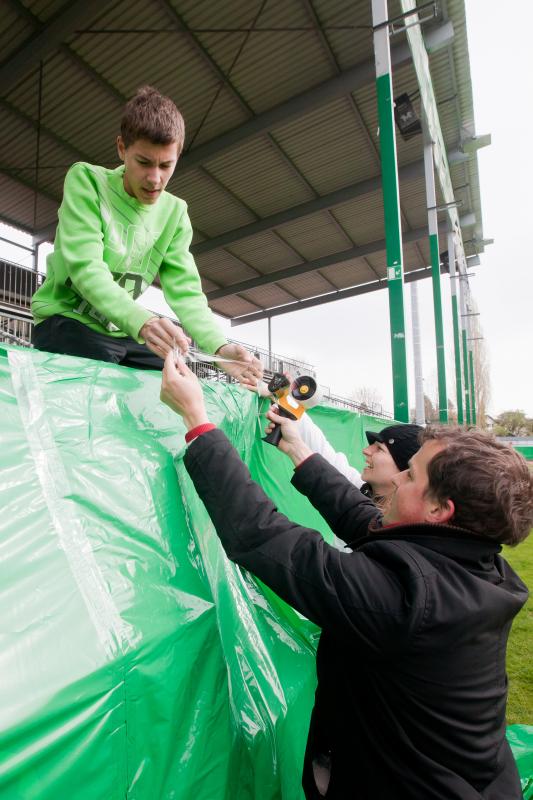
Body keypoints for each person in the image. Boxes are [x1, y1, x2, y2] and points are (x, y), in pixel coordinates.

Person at [160, 353, 533, 800]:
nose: (398, 479)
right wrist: (297, 449)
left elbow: (261, 536)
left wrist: (197, 420)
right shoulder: (474, 563)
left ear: (439, 509)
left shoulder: (406, 601)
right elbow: (364, 520)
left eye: (411, 475)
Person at [31, 85, 261, 382]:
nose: (155, 178)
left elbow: (187, 294)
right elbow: (86, 268)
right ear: (122, 149)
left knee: (177, 383)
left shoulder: (175, 213)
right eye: (144, 162)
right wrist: (143, 322)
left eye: (166, 165)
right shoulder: (87, 181)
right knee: (100, 384)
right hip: (67, 320)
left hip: (123, 331)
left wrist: (220, 348)